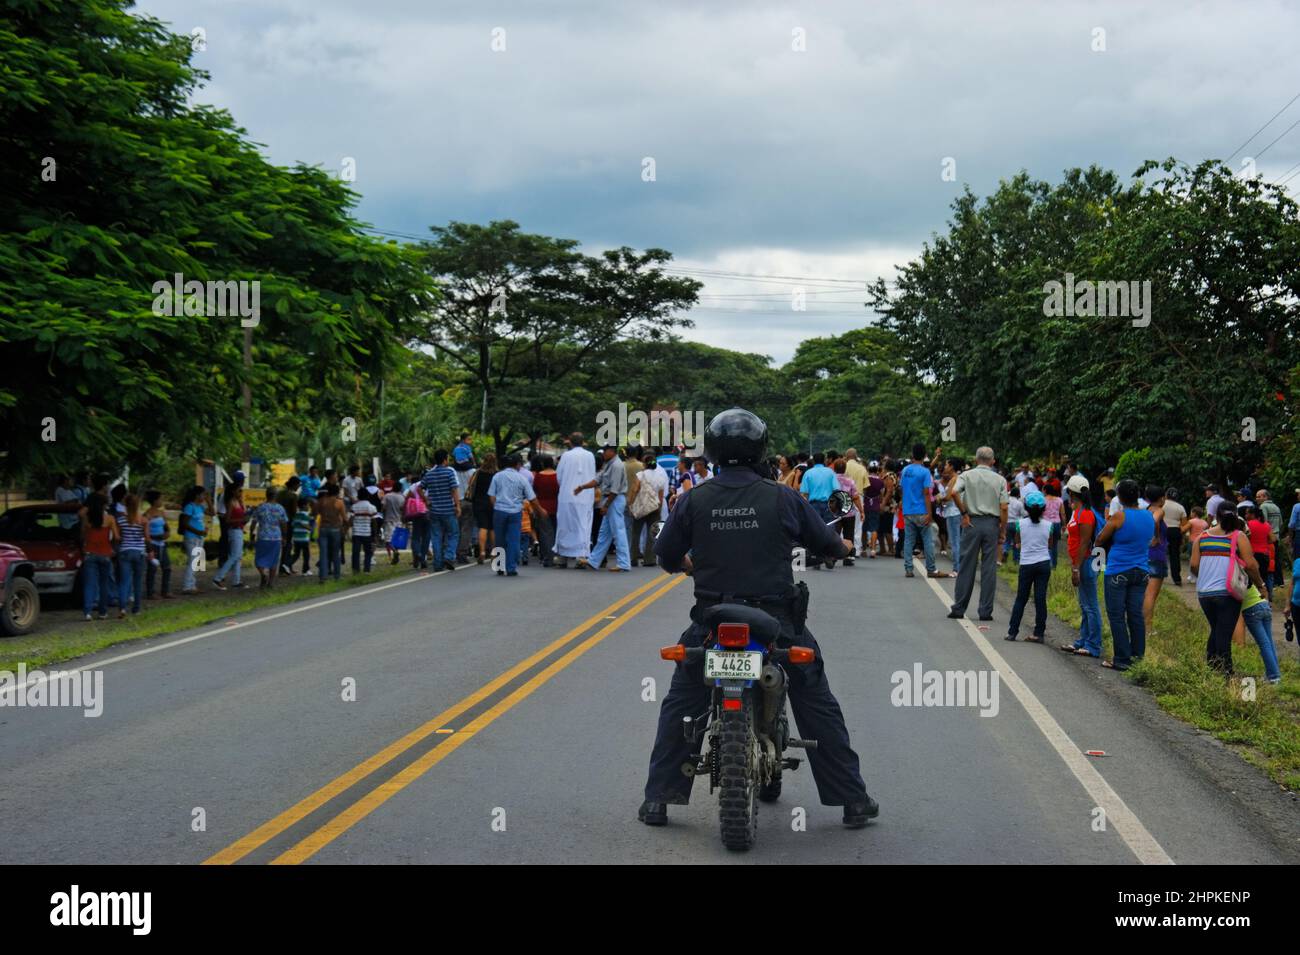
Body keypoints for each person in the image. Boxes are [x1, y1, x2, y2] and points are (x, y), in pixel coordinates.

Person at [638, 408, 878, 829]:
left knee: (683, 699)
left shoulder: (694, 499)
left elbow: (666, 556)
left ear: (712, 451)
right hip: (777, 621)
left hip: (713, 620)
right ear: (760, 450)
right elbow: (825, 540)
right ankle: (852, 800)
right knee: (815, 697)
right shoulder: (781, 496)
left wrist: (690, 565)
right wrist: (842, 549)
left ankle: (658, 799)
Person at [1192, 503, 1267, 677]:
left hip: (1204, 593)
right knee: (1224, 633)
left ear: (1216, 517)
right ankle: (1226, 674)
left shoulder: (1202, 538)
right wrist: (1261, 586)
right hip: (1228, 593)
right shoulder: (1238, 536)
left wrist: (1205, 576)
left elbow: (1194, 565)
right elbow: (1251, 565)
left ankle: (1211, 669)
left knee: (1217, 628)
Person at [1095, 479, 1154, 671]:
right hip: (1142, 571)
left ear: (1119, 497)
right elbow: (1151, 540)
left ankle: (1121, 658)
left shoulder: (1119, 516)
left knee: (1116, 615)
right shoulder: (1149, 516)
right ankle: (1137, 658)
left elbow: (1101, 538)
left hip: (1118, 570)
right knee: (1135, 615)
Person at [947, 446, 1009, 622]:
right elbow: (1004, 507)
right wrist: (1002, 530)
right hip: (991, 523)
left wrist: (964, 513)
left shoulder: (966, 475)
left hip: (972, 522)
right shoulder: (1000, 480)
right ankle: (985, 611)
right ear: (993, 461)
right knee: (989, 568)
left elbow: (953, 492)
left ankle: (959, 607)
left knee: (967, 564)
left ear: (975, 460)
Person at [1062, 475, 1102, 657]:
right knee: (1084, 604)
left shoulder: (1085, 514)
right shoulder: (1078, 511)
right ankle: (1083, 641)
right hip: (1082, 561)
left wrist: (1076, 567)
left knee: (1091, 605)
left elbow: (1085, 543)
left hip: (1085, 562)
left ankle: (1093, 645)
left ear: (1071, 492)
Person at [575, 444, 631, 572]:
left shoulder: (616, 465)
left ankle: (624, 563)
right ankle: (594, 561)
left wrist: (606, 506)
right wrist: (582, 487)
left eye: (605, 451)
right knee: (604, 534)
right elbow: (597, 480)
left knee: (618, 532)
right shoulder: (609, 464)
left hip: (614, 500)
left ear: (611, 451)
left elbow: (615, 489)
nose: (603, 454)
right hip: (611, 499)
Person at [1006, 491, 1052, 643]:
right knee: (1040, 599)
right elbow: (1050, 544)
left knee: (1021, 598)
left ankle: (1012, 632)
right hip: (1044, 564)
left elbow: (1018, 543)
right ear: (1043, 508)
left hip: (1026, 564)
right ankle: (1039, 633)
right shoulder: (1049, 525)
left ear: (1026, 507)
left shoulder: (1020, 524)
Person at [488, 453, 540, 576]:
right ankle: (511, 568)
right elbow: (532, 497)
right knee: (514, 540)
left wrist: (496, 507)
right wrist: (540, 510)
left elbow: (491, 495)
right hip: (516, 513)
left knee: (499, 540)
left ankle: (499, 567)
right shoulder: (522, 478)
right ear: (518, 464)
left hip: (499, 511)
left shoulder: (497, 476)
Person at [554, 433, 596, 568]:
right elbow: (593, 475)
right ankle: (581, 556)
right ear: (583, 442)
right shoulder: (590, 456)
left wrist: (566, 486)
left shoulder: (566, 456)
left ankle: (562, 557)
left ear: (570, 443)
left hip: (567, 496)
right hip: (585, 496)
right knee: (583, 526)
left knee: (565, 525)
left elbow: (559, 477)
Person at [80, 492, 119, 620]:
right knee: (104, 584)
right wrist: (112, 548)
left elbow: (82, 536)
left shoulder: (87, 518)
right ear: (104, 505)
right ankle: (102, 612)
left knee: (90, 584)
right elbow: (117, 537)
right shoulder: (110, 519)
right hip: (105, 554)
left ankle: (87, 612)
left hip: (90, 553)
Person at [629, 452, 667, 568]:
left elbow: (635, 490)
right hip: (654, 508)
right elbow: (661, 495)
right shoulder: (660, 476)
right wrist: (659, 508)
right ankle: (649, 559)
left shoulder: (640, 475)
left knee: (636, 533)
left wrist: (630, 503)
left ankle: (633, 558)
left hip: (641, 507)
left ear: (645, 464)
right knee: (653, 534)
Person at [248, 488, 289, 588]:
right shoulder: (280, 508)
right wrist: (284, 537)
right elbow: (284, 523)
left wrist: (251, 536)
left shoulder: (261, 507)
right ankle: (270, 583)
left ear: (266, 495)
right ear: (276, 496)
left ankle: (263, 574)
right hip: (276, 538)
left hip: (263, 537)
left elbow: (253, 522)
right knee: (274, 561)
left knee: (258, 560)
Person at [116, 493, 148, 617]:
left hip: (124, 551)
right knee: (138, 581)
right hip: (139, 551)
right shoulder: (143, 520)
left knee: (124, 581)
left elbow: (117, 538)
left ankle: (122, 608)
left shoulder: (121, 520)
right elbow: (147, 537)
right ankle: (136, 609)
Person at [211, 483, 247, 591]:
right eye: (239, 491)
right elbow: (227, 520)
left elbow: (243, 514)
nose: (241, 493)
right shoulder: (231, 503)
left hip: (239, 529)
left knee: (238, 556)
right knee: (234, 556)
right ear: (233, 492)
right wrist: (240, 520)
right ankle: (218, 578)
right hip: (234, 530)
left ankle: (236, 580)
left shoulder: (238, 502)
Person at [1142, 485, 1167, 634]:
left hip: (1145, 554)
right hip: (1156, 555)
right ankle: (1147, 628)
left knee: (1145, 593)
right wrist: (1157, 537)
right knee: (1151, 595)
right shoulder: (1159, 510)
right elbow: (1155, 520)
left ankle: (1143, 626)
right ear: (1162, 498)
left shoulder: (1145, 510)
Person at [467, 453, 498, 565]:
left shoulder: (478, 472)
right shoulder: (497, 474)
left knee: (483, 527)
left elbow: (470, 484)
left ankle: (482, 552)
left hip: (479, 503)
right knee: (493, 528)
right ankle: (494, 553)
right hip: (493, 503)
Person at [178, 486, 208, 594]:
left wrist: (208, 500)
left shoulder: (200, 507)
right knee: (193, 561)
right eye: (203, 494)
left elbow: (212, 512)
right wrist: (197, 531)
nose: (204, 496)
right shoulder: (189, 507)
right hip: (192, 537)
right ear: (197, 495)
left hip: (200, 537)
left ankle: (192, 585)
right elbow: (185, 523)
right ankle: (187, 586)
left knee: (197, 562)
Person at [1245, 504, 1278, 603]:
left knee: (1251, 578)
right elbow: (1273, 539)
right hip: (1264, 555)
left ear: (1252, 514)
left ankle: (1253, 601)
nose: (1245, 515)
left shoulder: (1248, 524)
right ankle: (1264, 601)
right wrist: (1263, 542)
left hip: (1252, 555)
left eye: (1247, 513)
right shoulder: (1266, 524)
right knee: (1262, 579)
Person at [143, 490, 172, 600]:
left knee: (167, 567)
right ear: (154, 501)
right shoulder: (147, 514)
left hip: (162, 543)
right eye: (160, 499)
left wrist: (167, 533)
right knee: (152, 569)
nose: (161, 501)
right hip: (153, 543)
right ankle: (150, 592)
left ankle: (165, 590)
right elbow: (145, 531)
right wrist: (155, 537)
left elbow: (166, 526)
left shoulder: (161, 513)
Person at [531, 455, 559, 567]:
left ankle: (547, 557)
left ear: (543, 464)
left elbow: (535, 491)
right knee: (556, 531)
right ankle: (556, 555)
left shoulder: (538, 476)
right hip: (556, 505)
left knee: (544, 533)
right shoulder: (558, 476)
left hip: (542, 507)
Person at [315, 484, 346, 582]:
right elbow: (344, 518)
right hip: (335, 529)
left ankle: (323, 577)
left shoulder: (321, 502)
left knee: (323, 554)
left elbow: (314, 513)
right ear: (337, 492)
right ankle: (337, 576)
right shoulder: (339, 503)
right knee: (335, 554)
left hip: (323, 529)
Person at [349, 487, 379, 573]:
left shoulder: (354, 507)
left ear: (358, 496)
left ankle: (356, 570)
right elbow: (374, 522)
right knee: (368, 552)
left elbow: (350, 521)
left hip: (356, 533)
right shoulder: (372, 507)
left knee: (355, 553)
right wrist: (375, 534)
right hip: (367, 533)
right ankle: (366, 570)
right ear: (367, 496)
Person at [1162, 488, 1187, 586]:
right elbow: (1184, 524)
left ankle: (1158, 574)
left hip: (1163, 529)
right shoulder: (1180, 507)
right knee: (1175, 555)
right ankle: (1177, 578)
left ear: (1166, 495)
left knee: (1160, 551)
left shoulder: (1162, 504)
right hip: (1175, 531)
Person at [292, 499, 315, 573]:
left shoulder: (296, 514)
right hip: (303, 538)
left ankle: (287, 564)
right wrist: (311, 529)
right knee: (306, 555)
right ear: (304, 506)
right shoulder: (305, 514)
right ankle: (305, 570)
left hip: (296, 538)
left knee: (296, 554)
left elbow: (293, 524)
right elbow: (303, 524)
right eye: (308, 505)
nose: (309, 507)